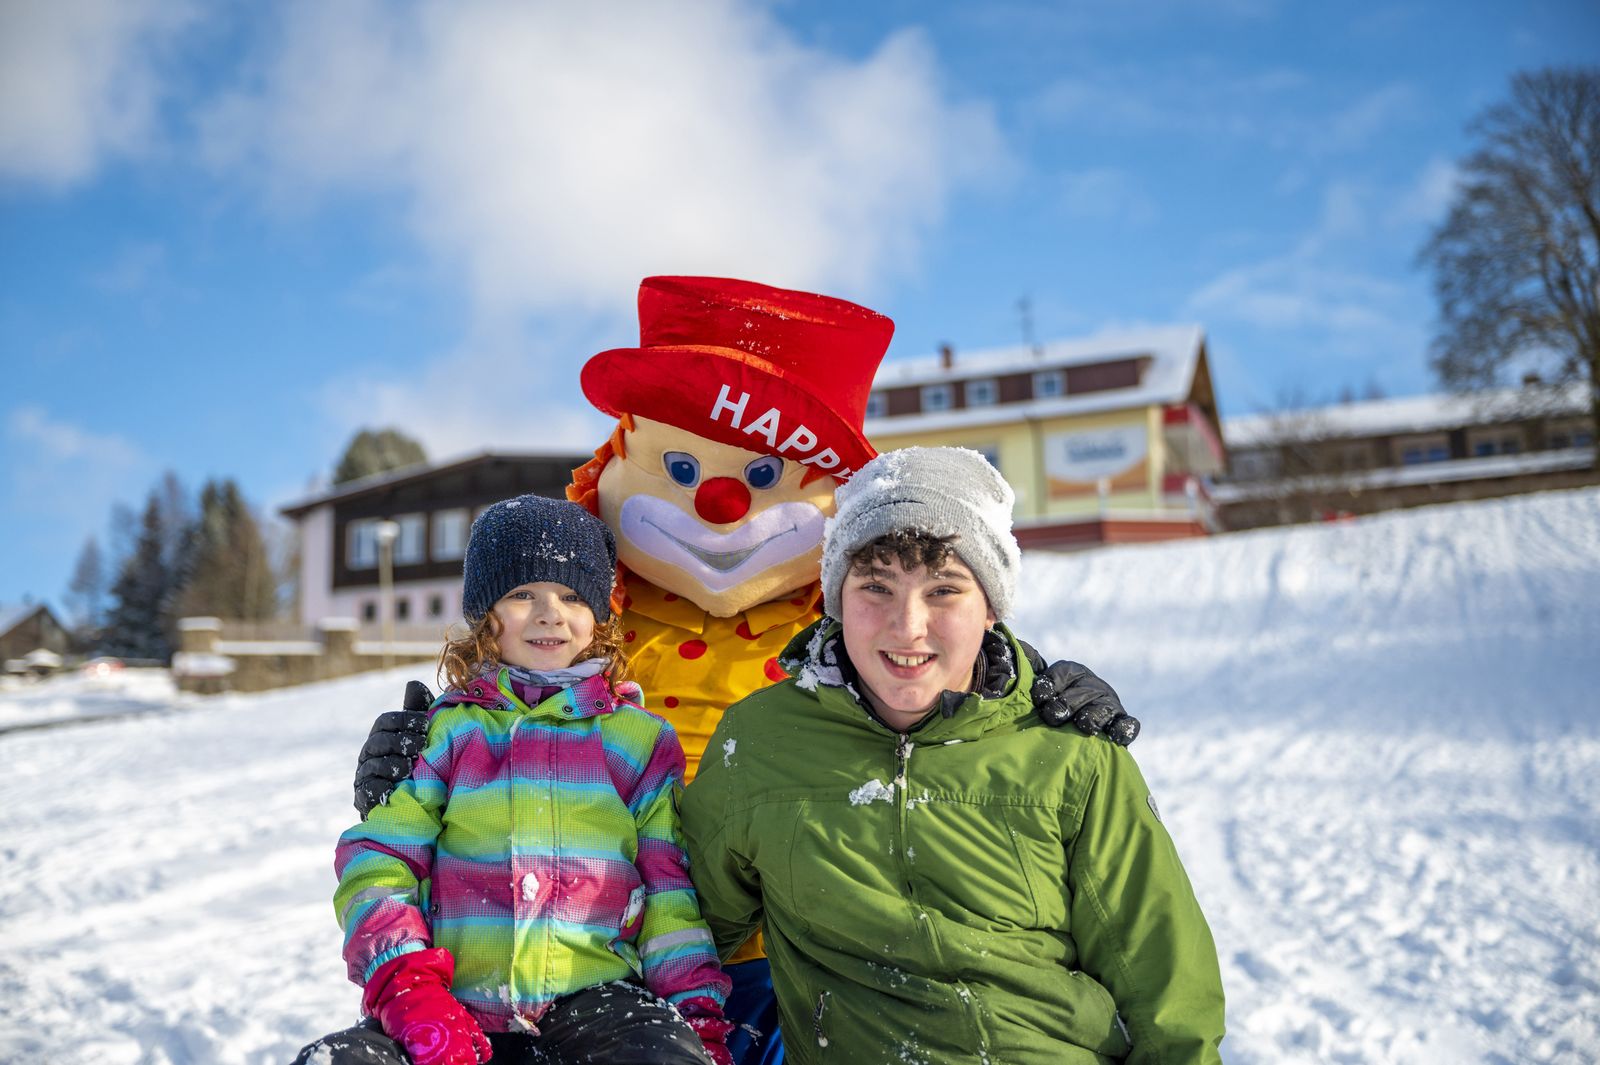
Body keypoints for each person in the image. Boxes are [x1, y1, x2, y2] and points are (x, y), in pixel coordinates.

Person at [351, 277, 1140, 1065]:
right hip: (593, 949)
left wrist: (1024, 685)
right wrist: (409, 760)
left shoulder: (845, 623)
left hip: (791, 951)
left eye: (764, 475)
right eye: (680, 466)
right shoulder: (589, 617)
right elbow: (495, 730)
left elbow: (935, 658)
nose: (721, 503)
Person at [681, 447, 1226, 1065]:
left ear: (990, 607)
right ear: (836, 599)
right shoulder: (760, 741)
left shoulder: (1071, 751)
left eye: (944, 590)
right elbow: (680, 934)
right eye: (876, 587)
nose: (907, 626)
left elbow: (1164, 981)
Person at [295, 495, 733, 1065]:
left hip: (597, 1001)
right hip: (452, 1001)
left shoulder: (638, 740)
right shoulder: (447, 731)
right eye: (523, 594)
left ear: (600, 617)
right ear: (485, 615)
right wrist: (409, 989)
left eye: (573, 596)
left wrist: (696, 1019)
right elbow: (380, 863)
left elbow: (668, 893)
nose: (550, 614)